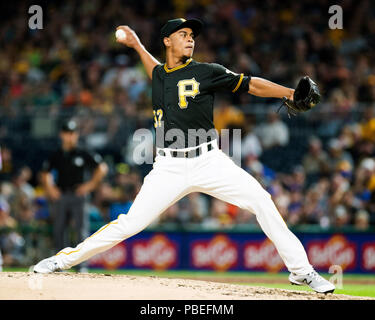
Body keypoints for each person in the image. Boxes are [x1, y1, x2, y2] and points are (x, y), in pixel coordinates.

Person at [33, 18, 335, 293]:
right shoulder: (160, 75)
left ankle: (302, 271)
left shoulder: (207, 71)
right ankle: (61, 261)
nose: (191, 39)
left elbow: (251, 84)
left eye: (192, 35)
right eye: (183, 34)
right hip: (168, 168)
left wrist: (289, 93)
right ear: (167, 41)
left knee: (261, 201)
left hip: (209, 161)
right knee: (128, 224)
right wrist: (137, 44)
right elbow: (154, 67)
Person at [40, 119, 108, 263]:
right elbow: (45, 173)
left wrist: (89, 186)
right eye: (67, 133)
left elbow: (102, 168)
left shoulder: (83, 152)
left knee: (81, 231)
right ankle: (57, 263)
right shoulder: (57, 154)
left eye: (72, 133)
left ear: (76, 134)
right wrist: (51, 189)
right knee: (59, 230)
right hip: (62, 195)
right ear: (62, 134)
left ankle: (82, 265)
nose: (69, 136)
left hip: (79, 195)